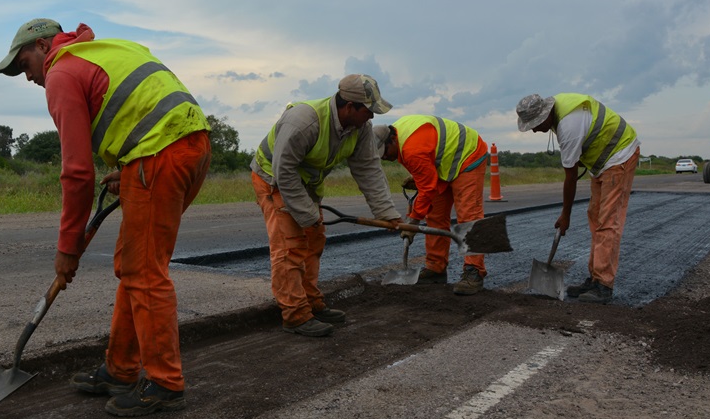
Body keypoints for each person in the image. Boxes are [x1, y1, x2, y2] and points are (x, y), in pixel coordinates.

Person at [0, 18, 211, 417]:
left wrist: (68, 247)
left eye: (24, 65)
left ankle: (166, 384)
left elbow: (78, 173)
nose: (27, 77)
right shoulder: (102, 52)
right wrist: (130, 169)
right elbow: (144, 112)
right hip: (188, 147)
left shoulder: (61, 72)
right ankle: (120, 369)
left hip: (160, 155)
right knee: (134, 266)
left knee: (144, 271)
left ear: (42, 47)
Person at [251, 74, 403, 337]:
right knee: (291, 246)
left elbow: (368, 169)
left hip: (307, 183)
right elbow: (284, 171)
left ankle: (310, 302)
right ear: (349, 107)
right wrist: (308, 213)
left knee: (314, 239)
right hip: (274, 178)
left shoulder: (360, 128)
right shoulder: (304, 121)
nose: (372, 117)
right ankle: (295, 315)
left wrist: (386, 213)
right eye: (368, 110)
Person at [515, 93, 640, 304]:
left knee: (607, 222)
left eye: (535, 124)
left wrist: (566, 215)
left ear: (546, 114)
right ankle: (595, 279)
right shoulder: (560, 114)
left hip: (620, 155)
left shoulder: (568, 126)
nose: (534, 130)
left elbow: (570, 177)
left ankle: (603, 285)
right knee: (596, 217)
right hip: (602, 163)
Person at [373, 116, 490, 295]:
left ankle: (474, 271)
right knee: (435, 215)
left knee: (469, 216)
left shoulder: (411, 148)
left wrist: (412, 222)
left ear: (393, 140)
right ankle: (436, 268)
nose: (386, 157)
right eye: (381, 156)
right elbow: (427, 163)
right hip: (445, 164)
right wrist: (421, 176)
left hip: (468, 155)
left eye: (386, 152)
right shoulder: (398, 137)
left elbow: (427, 188)